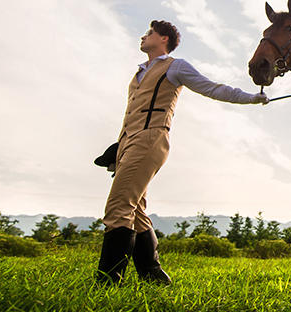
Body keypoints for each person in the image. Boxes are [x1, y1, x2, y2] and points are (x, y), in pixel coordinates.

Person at [96, 20, 268, 285]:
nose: (143, 36)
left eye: (149, 33)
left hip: (150, 139)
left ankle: (107, 283)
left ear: (164, 39)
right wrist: (120, 150)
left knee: (118, 207)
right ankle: (153, 277)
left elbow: (212, 88)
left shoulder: (175, 66)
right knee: (137, 210)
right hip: (128, 142)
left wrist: (250, 98)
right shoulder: (139, 72)